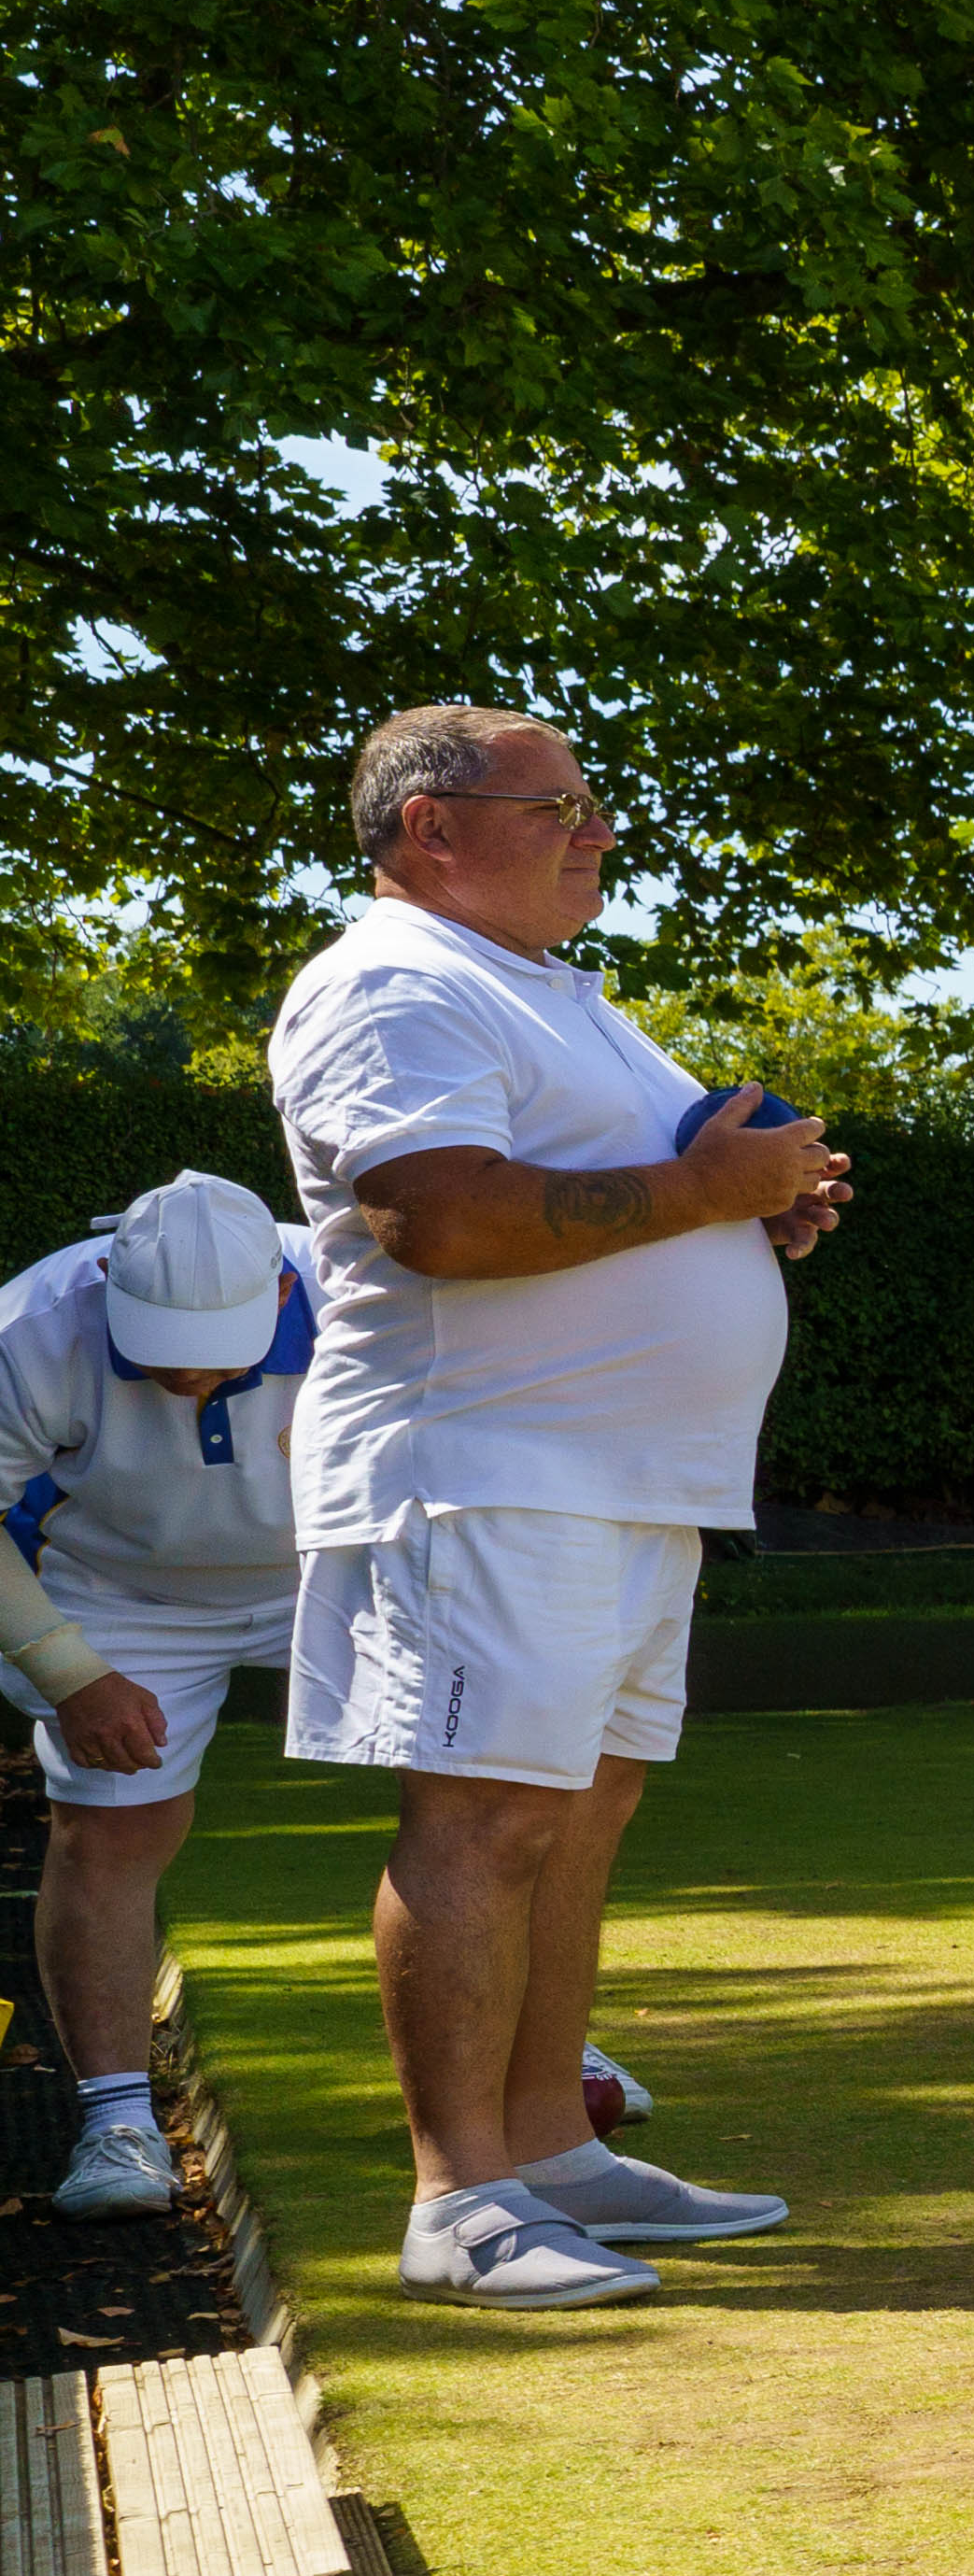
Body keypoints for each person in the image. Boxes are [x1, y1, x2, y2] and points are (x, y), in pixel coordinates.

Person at [263, 702, 848, 2309]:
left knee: (581, 1814)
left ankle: (548, 2143)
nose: (597, 831)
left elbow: (624, 1191)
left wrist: (755, 1208)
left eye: (595, 802)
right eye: (562, 804)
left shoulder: (543, 989)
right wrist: (699, 1198)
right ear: (430, 825)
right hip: (485, 1467)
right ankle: (459, 2198)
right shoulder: (392, 979)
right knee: (488, 1815)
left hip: (616, 1480)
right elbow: (432, 1212)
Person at [0, 1175, 318, 2220]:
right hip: (118, 1581)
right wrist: (68, 1669)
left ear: (280, 1288)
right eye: (160, 1342)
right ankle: (117, 2121)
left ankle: (538, 2064)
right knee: (106, 1830)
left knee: (476, 1792)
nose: (186, 1372)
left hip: (339, 1565)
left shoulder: (364, 1284)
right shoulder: (31, 1327)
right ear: (108, 1281)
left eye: (215, 1342)